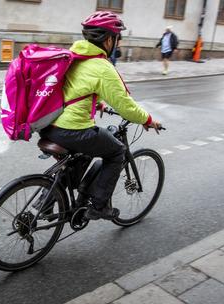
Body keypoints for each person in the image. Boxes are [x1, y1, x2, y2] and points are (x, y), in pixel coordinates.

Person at [40, 11, 162, 220]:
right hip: (72, 130)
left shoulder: (72, 55)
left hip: (49, 125)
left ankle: (48, 202)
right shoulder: (102, 67)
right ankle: (98, 206)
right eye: (117, 38)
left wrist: (99, 104)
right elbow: (126, 106)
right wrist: (148, 120)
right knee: (116, 152)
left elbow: (73, 89)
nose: (118, 43)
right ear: (108, 39)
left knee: (82, 155)